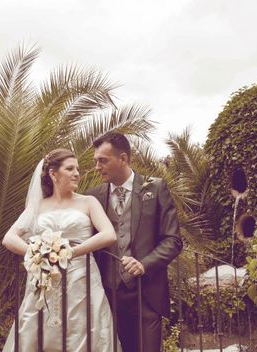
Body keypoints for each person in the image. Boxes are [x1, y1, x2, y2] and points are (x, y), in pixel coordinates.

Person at [1, 148, 121, 351]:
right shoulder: (37, 206)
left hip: (82, 277)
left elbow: (108, 234)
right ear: (53, 174)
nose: (77, 173)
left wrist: (71, 252)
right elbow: (9, 238)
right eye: (70, 169)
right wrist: (38, 254)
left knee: (85, 327)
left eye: (77, 169)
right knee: (40, 329)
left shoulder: (88, 202)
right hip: (46, 277)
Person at [86, 132, 183, 352]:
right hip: (108, 297)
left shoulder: (156, 188)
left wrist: (144, 264)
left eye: (102, 160)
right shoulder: (93, 197)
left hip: (146, 295)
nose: (97, 166)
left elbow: (173, 240)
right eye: (95, 161)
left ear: (122, 159)